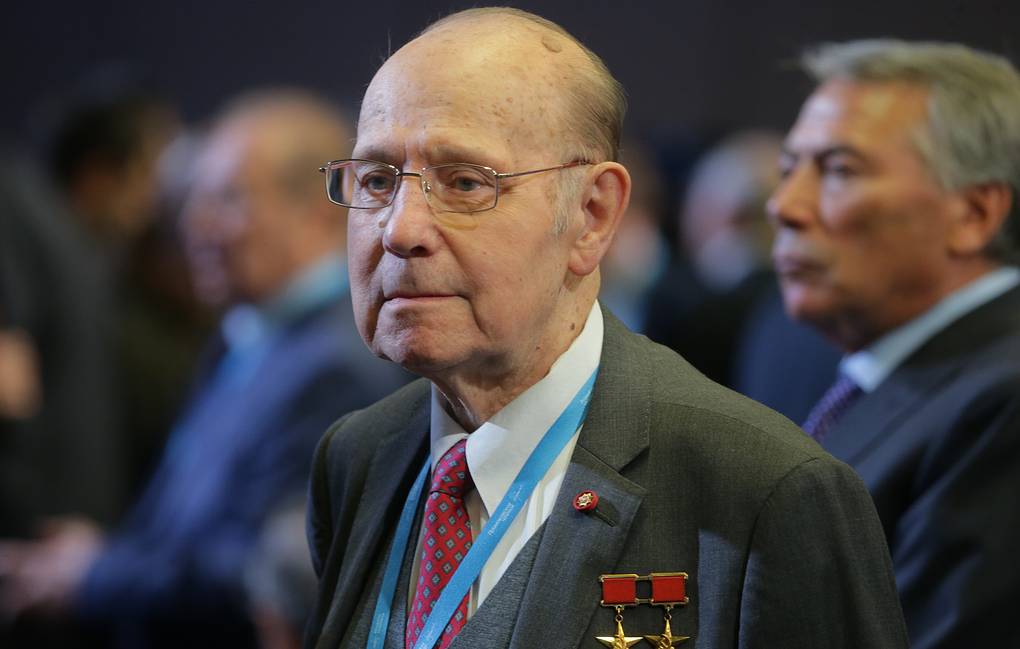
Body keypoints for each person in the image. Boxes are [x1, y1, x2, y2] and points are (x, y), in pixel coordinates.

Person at [305, 9, 908, 649]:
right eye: (377, 180)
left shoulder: (763, 490)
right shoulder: (357, 457)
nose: (400, 229)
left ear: (592, 216)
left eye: (465, 183)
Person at [0, 90, 407, 649]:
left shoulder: (338, 368)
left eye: (228, 200)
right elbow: (190, 532)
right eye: (194, 201)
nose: (195, 225)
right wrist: (102, 554)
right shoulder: (248, 338)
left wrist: (93, 576)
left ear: (317, 211)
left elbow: (262, 573)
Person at [767, 40, 1020, 649]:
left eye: (839, 170)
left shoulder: (1005, 399)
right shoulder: (850, 368)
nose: (784, 206)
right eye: (788, 169)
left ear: (974, 214)